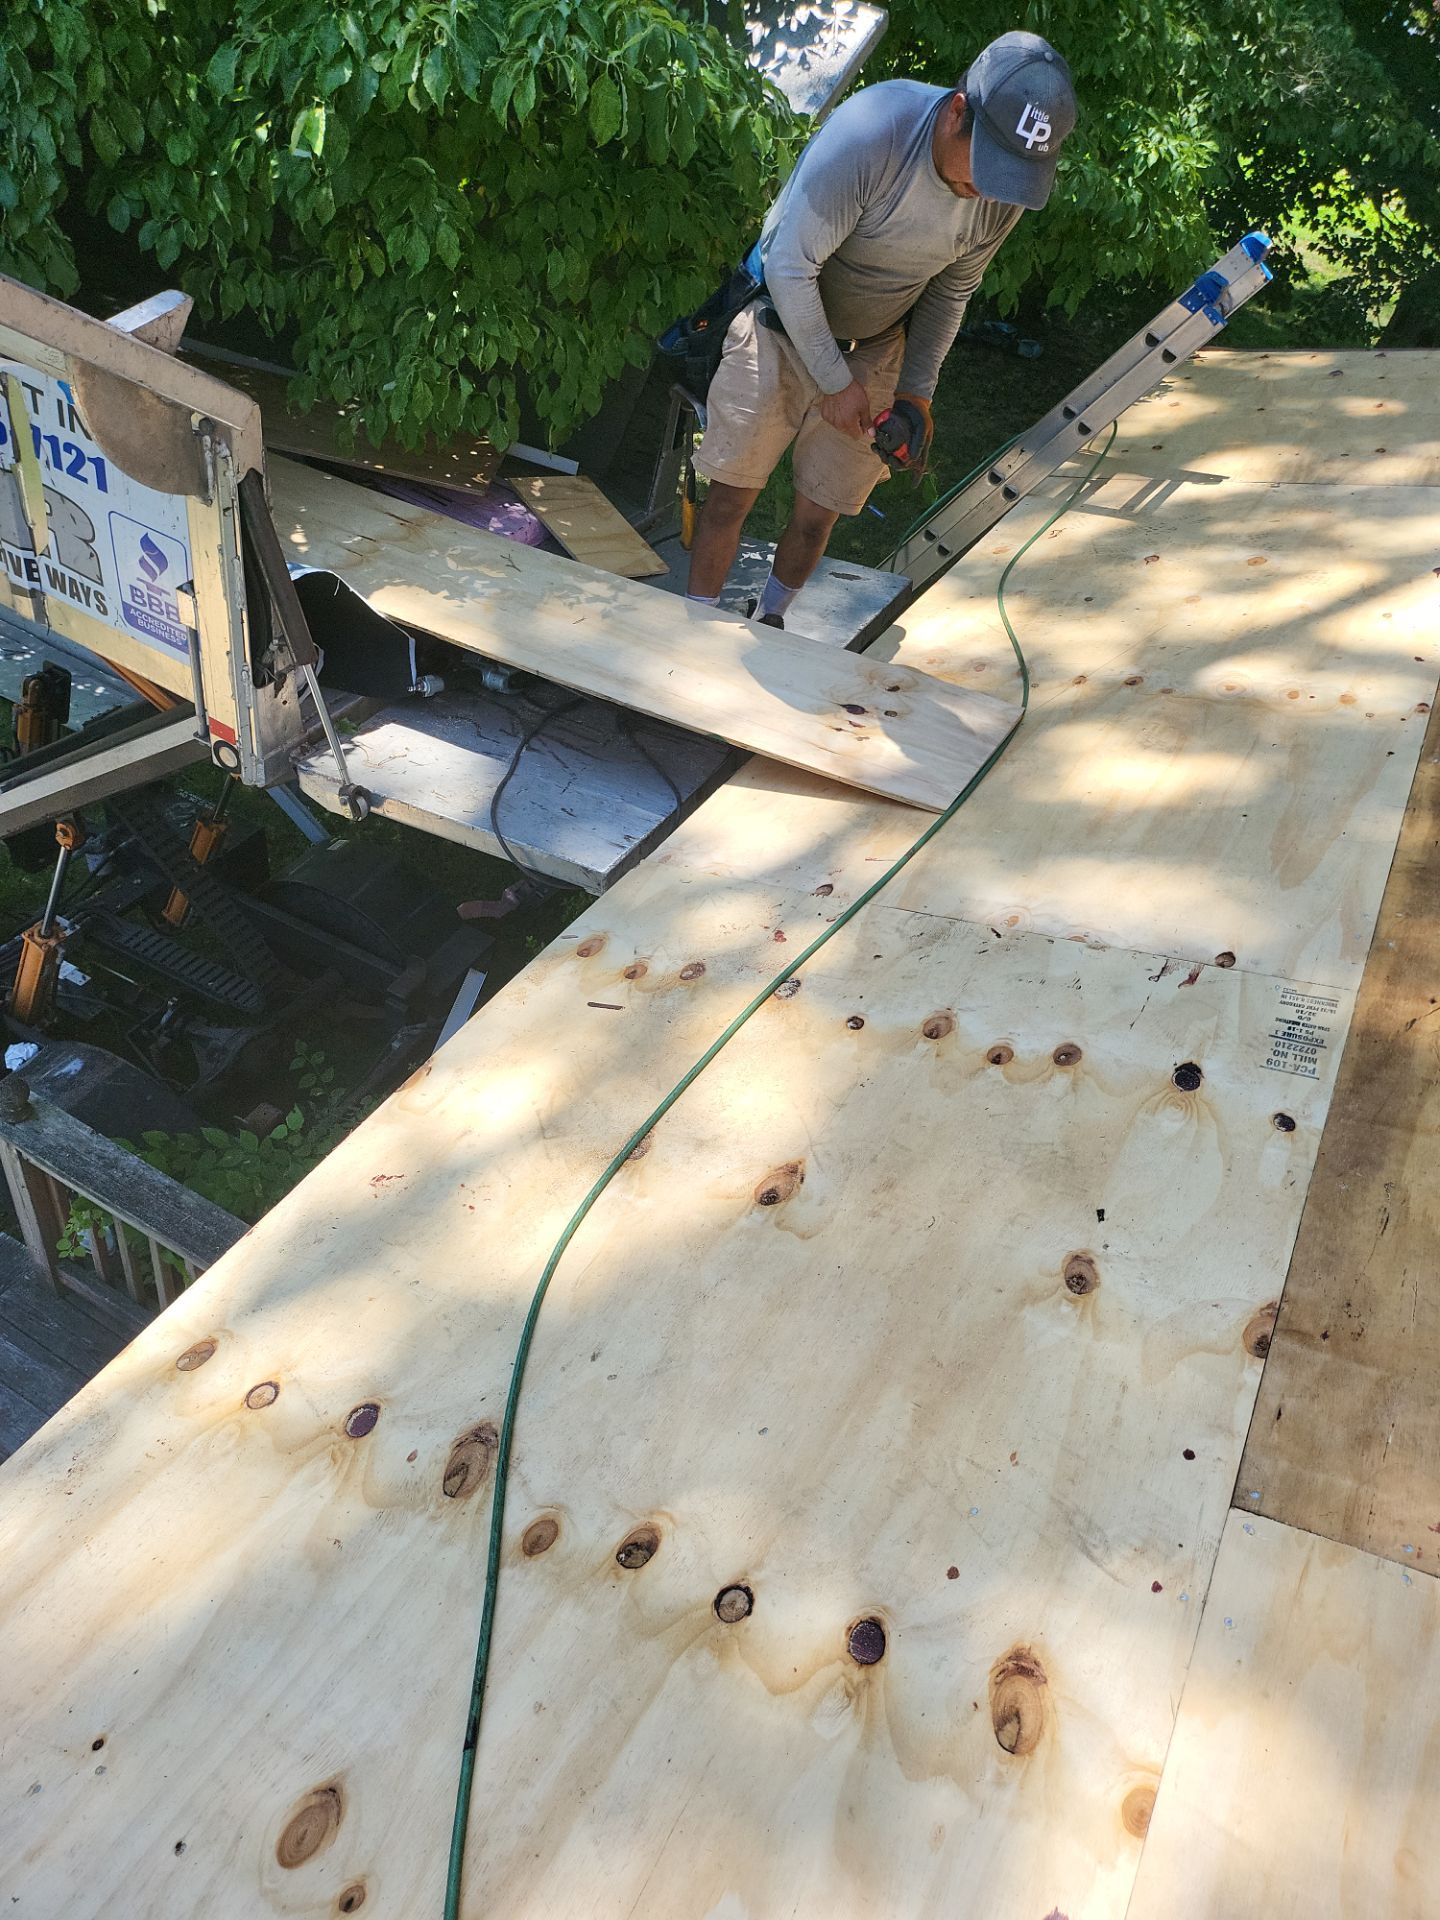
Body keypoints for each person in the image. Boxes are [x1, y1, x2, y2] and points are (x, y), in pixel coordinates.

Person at [686, 31, 1077, 628]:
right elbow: (789, 266)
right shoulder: (874, 132)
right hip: (779, 326)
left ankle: (771, 621)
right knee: (731, 496)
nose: (990, 189)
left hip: (875, 345)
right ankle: (696, 630)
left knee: (820, 511)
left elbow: (952, 291)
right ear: (957, 113)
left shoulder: (1004, 192)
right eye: (988, 164)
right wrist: (832, 380)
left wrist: (916, 394)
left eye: (1013, 175)